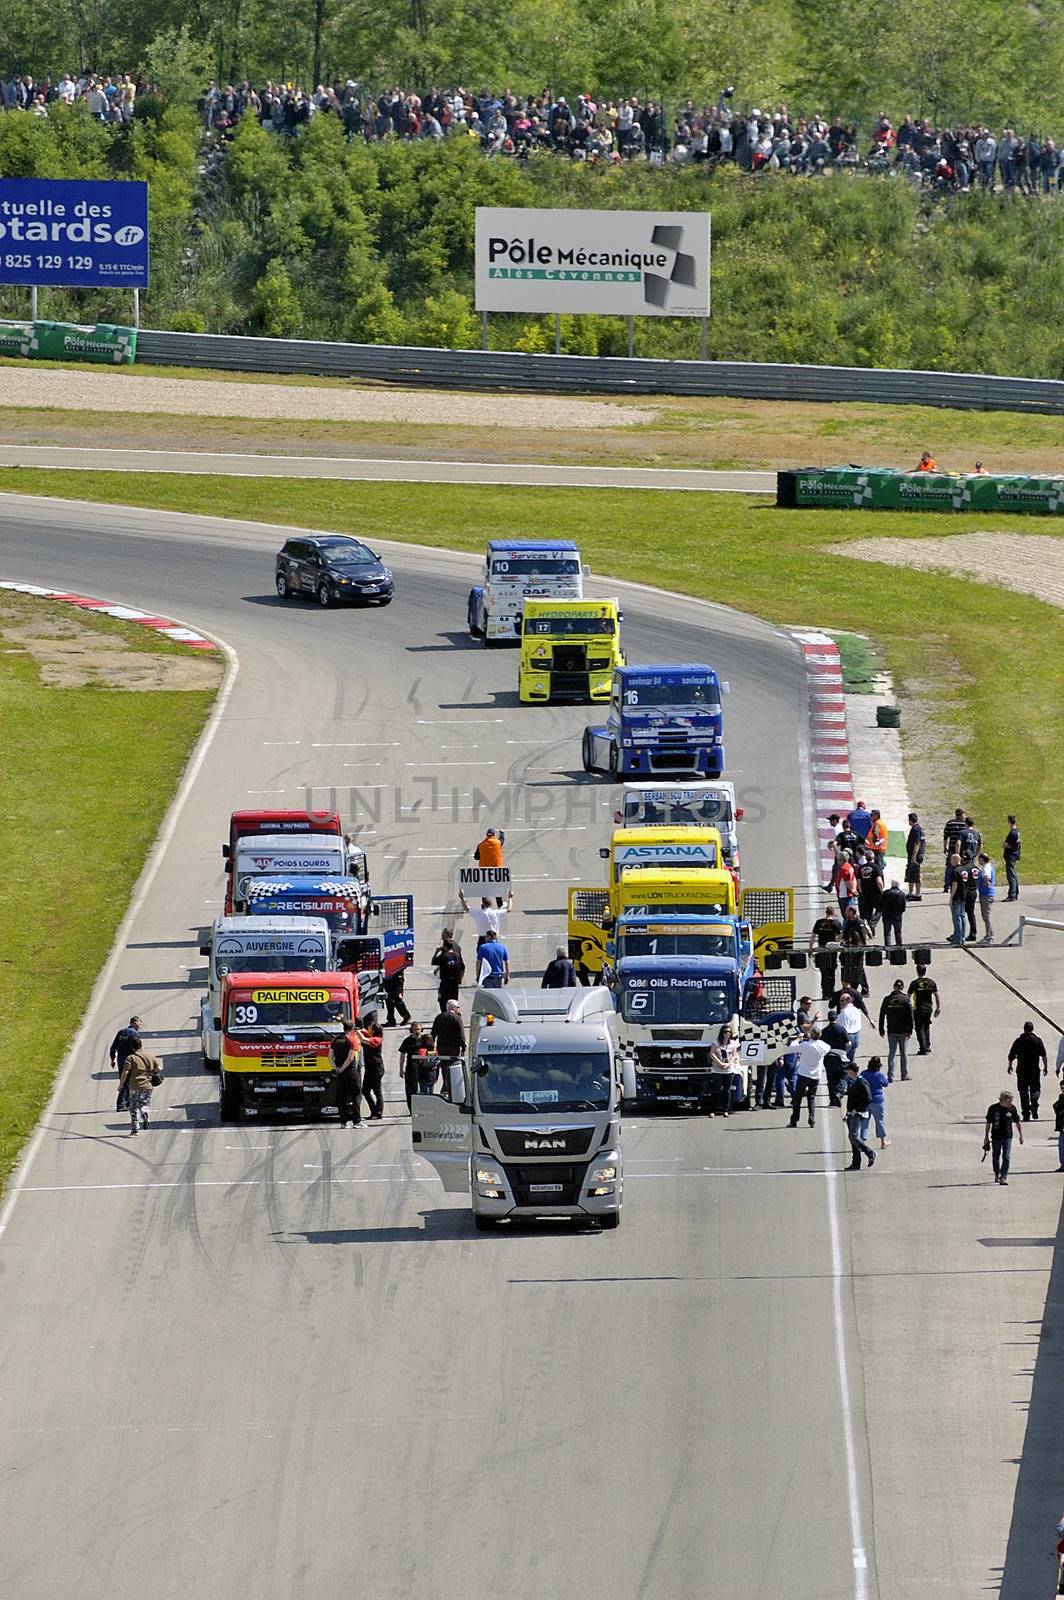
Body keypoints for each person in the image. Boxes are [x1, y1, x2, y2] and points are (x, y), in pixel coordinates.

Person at [118, 1041, 162, 1135]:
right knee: (144, 1102)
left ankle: (135, 1129)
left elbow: (125, 1072)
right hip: (148, 1085)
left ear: (132, 1047)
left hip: (134, 1085)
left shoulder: (131, 1058)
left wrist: (121, 1084)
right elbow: (158, 1068)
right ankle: (144, 1112)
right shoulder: (151, 1056)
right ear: (141, 1045)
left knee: (133, 1106)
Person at [1008, 1021, 1048, 1120]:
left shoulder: (1019, 1041)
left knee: (1023, 1091)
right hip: (1034, 1069)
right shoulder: (1037, 1040)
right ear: (1032, 1029)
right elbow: (1043, 1055)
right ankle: (1034, 1104)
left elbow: (1011, 1055)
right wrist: (1045, 1067)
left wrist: (1010, 1065)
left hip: (1021, 1070)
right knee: (1035, 1089)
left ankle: (1026, 1114)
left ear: (1024, 1029)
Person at [789, 1027, 828, 1128]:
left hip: (803, 1074)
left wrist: (798, 1039)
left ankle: (794, 1120)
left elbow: (792, 1047)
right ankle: (812, 1119)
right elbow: (827, 1047)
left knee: (798, 1099)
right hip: (815, 1075)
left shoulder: (805, 1045)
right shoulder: (823, 1046)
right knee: (811, 1098)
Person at [878, 979, 915, 1081]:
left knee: (892, 1053)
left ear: (894, 987)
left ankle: (891, 1076)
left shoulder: (887, 999)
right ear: (902, 987)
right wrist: (910, 1029)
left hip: (892, 1030)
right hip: (903, 1031)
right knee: (903, 1053)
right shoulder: (906, 999)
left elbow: (882, 1015)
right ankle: (904, 1074)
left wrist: (881, 1028)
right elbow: (910, 1016)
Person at [984, 1090, 1023, 1184]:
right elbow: (988, 1123)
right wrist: (986, 1137)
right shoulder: (993, 1108)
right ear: (1003, 1100)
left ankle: (1003, 1176)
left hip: (1007, 1136)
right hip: (996, 1136)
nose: (1010, 1103)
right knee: (995, 1156)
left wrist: (1021, 1135)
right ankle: (997, 1172)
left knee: (1006, 1156)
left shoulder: (1012, 1109)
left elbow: (1017, 1121)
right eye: (1009, 1101)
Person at [842, 1063, 876, 1170]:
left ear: (852, 1071)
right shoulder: (854, 1082)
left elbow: (868, 1098)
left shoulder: (861, 1082)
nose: (847, 1074)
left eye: (848, 1071)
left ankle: (870, 1153)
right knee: (853, 1139)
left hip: (858, 1113)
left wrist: (857, 1110)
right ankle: (856, 1163)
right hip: (852, 1113)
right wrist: (847, 1113)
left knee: (854, 1136)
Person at [430, 999, 466, 1100]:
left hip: (441, 1047)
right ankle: (448, 1089)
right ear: (454, 1008)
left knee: (444, 1068)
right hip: (453, 1049)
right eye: (458, 1007)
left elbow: (433, 1033)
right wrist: (463, 1047)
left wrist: (431, 1046)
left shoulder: (439, 1017)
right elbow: (461, 1035)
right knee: (453, 1068)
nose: (459, 1009)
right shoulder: (457, 1018)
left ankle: (445, 1087)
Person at [109, 1013, 143, 1112]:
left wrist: (112, 1059)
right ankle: (121, 1104)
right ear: (135, 1023)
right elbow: (137, 1048)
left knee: (124, 1079)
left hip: (120, 1060)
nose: (140, 1026)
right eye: (140, 1024)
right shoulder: (134, 1034)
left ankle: (127, 1103)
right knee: (128, 1082)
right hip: (130, 1060)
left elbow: (113, 1047)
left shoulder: (121, 1032)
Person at [808, 901, 842, 999]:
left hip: (822, 950)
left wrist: (810, 948)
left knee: (824, 973)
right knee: (832, 971)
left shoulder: (819, 922)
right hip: (832, 950)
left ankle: (825, 993)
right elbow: (840, 936)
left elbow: (813, 936)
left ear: (826, 912)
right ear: (833, 912)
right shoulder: (836, 923)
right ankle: (831, 991)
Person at [330, 1026, 362, 1127]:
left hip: (340, 1073)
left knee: (342, 1097)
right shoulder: (352, 1039)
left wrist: (336, 1068)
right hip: (350, 1072)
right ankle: (357, 1121)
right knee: (356, 1095)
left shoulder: (334, 1040)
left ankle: (343, 1122)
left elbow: (330, 1056)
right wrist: (343, 1068)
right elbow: (350, 1057)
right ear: (352, 1029)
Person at [705, 1026, 739, 1116]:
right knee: (716, 1090)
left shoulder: (732, 1043)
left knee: (727, 1090)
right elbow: (712, 1053)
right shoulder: (716, 1042)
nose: (727, 1033)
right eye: (725, 1032)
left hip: (729, 1070)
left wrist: (728, 1064)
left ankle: (726, 1110)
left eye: (729, 1032)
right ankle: (713, 1110)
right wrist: (719, 1063)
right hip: (717, 1070)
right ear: (722, 1033)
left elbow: (734, 1055)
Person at [820, 1008, 851, 1107]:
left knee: (831, 1079)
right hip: (840, 1057)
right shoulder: (841, 1029)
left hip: (829, 1057)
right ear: (836, 1018)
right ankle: (839, 1092)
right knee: (843, 1076)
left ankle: (832, 1099)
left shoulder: (824, 1031)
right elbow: (848, 1043)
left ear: (828, 1019)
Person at [907, 965, 940, 1054]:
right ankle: (927, 1045)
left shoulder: (914, 983)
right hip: (929, 1008)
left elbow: (908, 997)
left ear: (917, 971)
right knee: (926, 1026)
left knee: (919, 1028)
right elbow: (936, 996)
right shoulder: (931, 982)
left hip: (918, 1008)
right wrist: (938, 1008)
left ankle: (923, 1048)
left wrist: (907, 1009)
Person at [398, 1021, 430, 1110]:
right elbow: (402, 1055)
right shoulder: (407, 1041)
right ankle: (412, 1109)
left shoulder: (425, 1039)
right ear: (411, 1030)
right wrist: (401, 1068)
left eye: (418, 1029)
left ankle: (424, 1108)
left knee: (425, 1088)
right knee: (411, 1089)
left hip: (424, 1067)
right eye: (415, 1029)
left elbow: (432, 1051)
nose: (417, 1031)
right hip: (412, 1067)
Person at [860, 1054, 891, 1148]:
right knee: (879, 1121)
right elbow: (885, 1084)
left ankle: (862, 1142)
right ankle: (882, 1142)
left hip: (865, 1100)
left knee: (864, 1121)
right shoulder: (879, 1075)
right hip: (877, 1101)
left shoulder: (864, 1074)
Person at [839, 904, 870, 996]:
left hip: (858, 949)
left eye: (847, 911)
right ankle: (853, 988)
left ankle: (865, 989)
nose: (845, 913)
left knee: (858, 968)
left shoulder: (859, 922)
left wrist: (860, 946)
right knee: (851, 967)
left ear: (852, 912)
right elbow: (846, 933)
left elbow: (862, 936)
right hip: (849, 948)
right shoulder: (849, 921)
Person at [356, 1019, 385, 1119]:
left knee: (377, 1091)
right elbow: (364, 1031)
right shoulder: (371, 1035)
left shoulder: (377, 1039)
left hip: (376, 1068)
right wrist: (360, 1029)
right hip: (369, 1068)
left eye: (369, 1028)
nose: (367, 1029)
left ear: (373, 1031)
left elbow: (363, 1039)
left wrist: (357, 1032)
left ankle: (378, 1112)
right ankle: (373, 1111)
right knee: (365, 1091)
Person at [431, 928, 465, 1009]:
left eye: (444, 934)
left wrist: (460, 978)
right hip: (454, 981)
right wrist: (439, 968)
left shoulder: (451, 948)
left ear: (448, 935)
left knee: (443, 1000)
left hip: (447, 981)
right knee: (453, 1000)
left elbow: (441, 960)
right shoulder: (453, 950)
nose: (442, 935)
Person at [855, 848, 884, 933]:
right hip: (875, 893)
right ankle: (872, 924)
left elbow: (859, 882)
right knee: (880, 909)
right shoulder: (876, 867)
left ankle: (870, 930)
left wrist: (860, 891)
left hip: (865, 893)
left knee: (867, 913)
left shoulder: (862, 868)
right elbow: (879, 881)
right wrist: (882, 891)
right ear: (873, 857)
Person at [837, 988, 865, 1062]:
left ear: (848, 1000)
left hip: (848, 1036)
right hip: (856, 1036)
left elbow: (843, 1028)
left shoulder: (844, 1012)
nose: (840, 1002)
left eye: (842, 1000)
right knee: (852, 1057)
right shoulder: (856, 1010)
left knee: (844, 1058)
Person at [879, 878, 907, 947]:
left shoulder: (885, 893)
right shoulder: (901, 894)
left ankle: (888, 950)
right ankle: (899, 948)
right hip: (897, 916)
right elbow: (903, 907)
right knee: (898, 932)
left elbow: (880, 904)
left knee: (887, 933)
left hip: (886, 916)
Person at [946, 852, 967, 943]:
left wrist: (951, 897)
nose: (950, 862)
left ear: (955, 860)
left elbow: (955, 884)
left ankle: (958, 938)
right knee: (962, 917)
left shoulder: (955, 871)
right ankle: (962, 936)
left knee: (956, 917)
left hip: (957, 896)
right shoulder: (964, 870)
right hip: (963, 896)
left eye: (951, 860)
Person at [976, 853, 996, 943]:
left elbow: (987, 877)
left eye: (979, 859)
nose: (978, 861)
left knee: (986, 916)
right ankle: (989, 933)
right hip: (987, 894)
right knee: (986, 916)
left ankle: (989, 936)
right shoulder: (989, 866)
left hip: (986, 895)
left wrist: (986, 882)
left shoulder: (985, 868)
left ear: (982, 860)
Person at [905, 811, 925, 901]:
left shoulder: (916, 829)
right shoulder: (919, 828)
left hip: (915, 855)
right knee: (912, 874)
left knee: (915, 874)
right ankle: (911, 892)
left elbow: (917, 843)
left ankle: (917, 893)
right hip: (917, 854)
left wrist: (913, 856)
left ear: (910, 820)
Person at [1003, 814, 1021, 901]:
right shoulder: (1017, 832)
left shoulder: (1012, 833)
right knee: (1013, 874)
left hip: (1010, 855)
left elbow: (1006, 844)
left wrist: (1005, 845)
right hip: (1015, 854)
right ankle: (1015, 892)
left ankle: (1012, 894)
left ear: (1009, 822)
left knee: (1011, 875)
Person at [1054, 1085, 1064, 1173]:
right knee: (1061, 1148)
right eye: (1062, 1088)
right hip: (1062, 1128)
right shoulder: (1061, 1098)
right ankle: (1063, 1166)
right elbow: (1056, 1107)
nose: (1063, 1090)